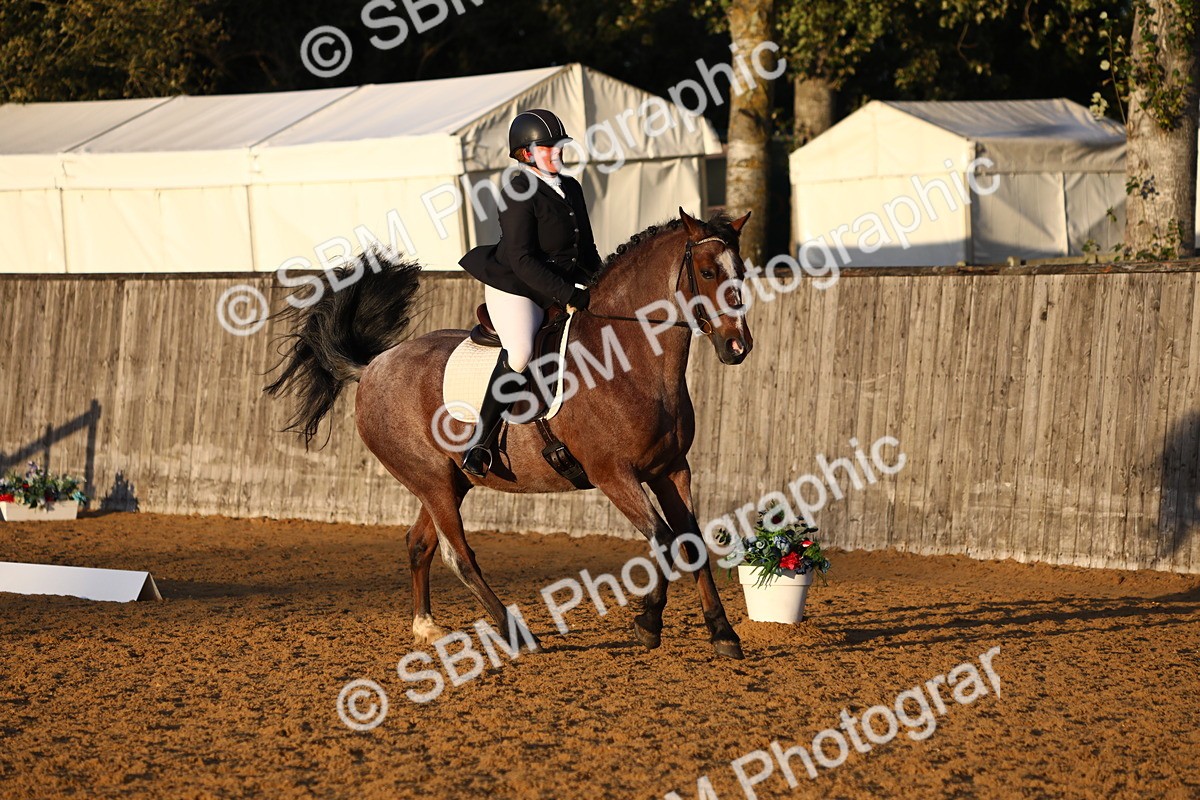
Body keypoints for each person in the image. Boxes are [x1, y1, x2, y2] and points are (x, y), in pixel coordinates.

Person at [457, 109, 603, 477]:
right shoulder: (517, 192)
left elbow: (585, 249)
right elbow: (522, 260)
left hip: (559, 285)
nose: (557, 153)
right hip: (516, 286)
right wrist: (568, 293)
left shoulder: (571, 187)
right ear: (526, 154)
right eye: (548, 148)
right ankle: (480, 442)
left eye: (559, 147)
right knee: (521, 352)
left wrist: (602, 284)